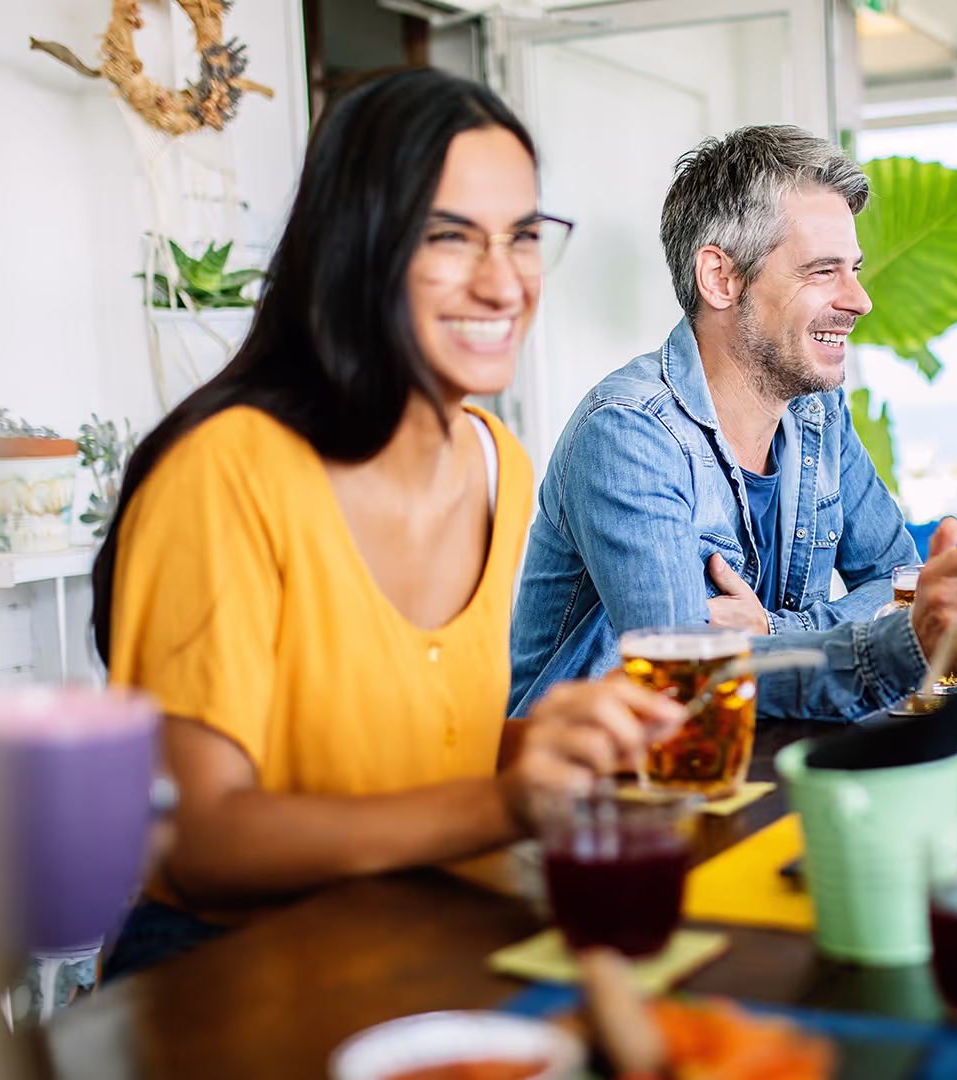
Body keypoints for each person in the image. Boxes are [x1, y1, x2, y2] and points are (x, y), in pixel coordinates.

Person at [88, 70, 688, 979]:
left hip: (414, 925)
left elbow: (413, 742)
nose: (502, 283)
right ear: (359, 246)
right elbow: (202, 840)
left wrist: (566, 744)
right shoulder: (225, 470)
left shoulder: (498, 460)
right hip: (226, 970)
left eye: (523, 236)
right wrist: (504, 803)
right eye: (449, 237)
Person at [509, 125, 957, 719]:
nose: (860, 299)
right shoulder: (628, 434)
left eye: (853, 268)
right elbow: (691, 686)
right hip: (605, 790)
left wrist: (771, 626)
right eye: (823, 271)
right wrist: (890, 644)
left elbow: (900, 585)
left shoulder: (818, 415)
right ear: (721, 278)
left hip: (766, 762)